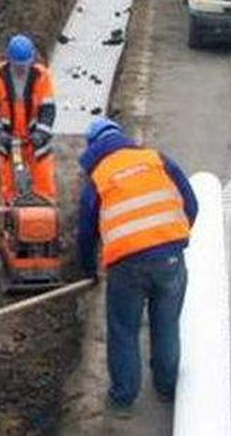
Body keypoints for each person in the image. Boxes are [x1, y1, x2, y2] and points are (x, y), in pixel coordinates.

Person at [76, 117, 198, 414]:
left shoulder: (99, 176)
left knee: (124, 331)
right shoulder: (157, 160)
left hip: (126, 266)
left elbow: (86, 232)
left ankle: (122, 399)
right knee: (167, 325)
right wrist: (172, 239)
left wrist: (89, 269)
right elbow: (191, 204)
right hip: (170, 259)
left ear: (94, 148)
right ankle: (167, 389)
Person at [0, 35, 58, 203]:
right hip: (7, 138)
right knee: (9, 182)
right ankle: (11, 214)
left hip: (35, 137)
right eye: (18, 66)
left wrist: (41, 134)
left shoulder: (42, 76)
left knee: (44, 175)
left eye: (25, 65)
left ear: (32, 59)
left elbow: (48, 108)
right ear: (9, 60)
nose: (22, 69)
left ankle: (45, 208)